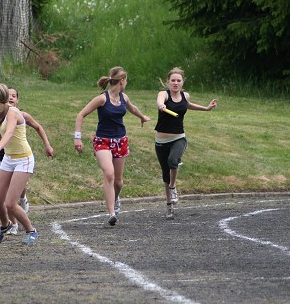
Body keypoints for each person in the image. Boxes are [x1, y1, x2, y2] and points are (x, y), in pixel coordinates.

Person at [74, 66, 150, 226]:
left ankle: (115, 198)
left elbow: (132, 108)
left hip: (120, 140)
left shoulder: (124, 98)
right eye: (126, 80)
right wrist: (77, 138)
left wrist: (142, 117)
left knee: (118, 182)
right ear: (122, 81)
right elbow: (81, 114)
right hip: (103, 141)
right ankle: (111, 213)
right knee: (109, 174)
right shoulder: (102, 99)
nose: (126, 83)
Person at [0, 84, 53, 245]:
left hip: (23, 159)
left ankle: (31, 230)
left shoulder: (13, 112)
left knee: (10, 203)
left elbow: (9, 132)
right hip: (9, 159)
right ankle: (5, 225)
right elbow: (3, 133)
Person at [155, 67, 217, 219]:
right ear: (168, 82)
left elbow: (188, 105)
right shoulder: (164, 94)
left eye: (178, 80)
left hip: (178, 138)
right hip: (161, 140)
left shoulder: (185, 95)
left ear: (182, 82)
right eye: (173, 80)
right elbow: (159, 101)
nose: (175, 83)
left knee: (173, 161)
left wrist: (206, 108)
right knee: (165, 174)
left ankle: (173, 187)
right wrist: (161, 105)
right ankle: (169, 206)